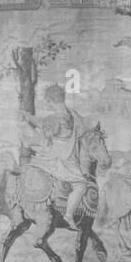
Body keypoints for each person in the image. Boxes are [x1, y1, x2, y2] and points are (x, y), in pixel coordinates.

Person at [30, 84, 91, 225]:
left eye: (49, 102)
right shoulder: (74, 115)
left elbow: (42, 124)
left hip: (61, 160)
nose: (48, 105)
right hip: (64, 160)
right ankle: (68, 215)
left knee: (81, 185)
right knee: (81, 186)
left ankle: (68, 214)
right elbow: (82, 131)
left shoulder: (57, 117)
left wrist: (28, 117)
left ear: (54, 100)